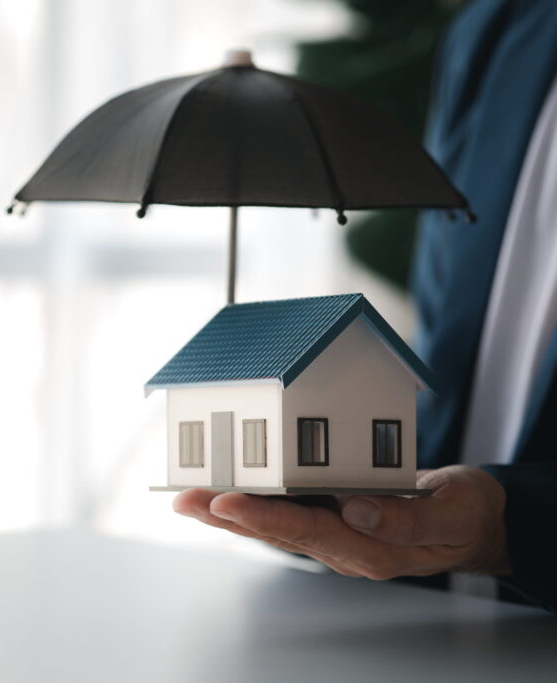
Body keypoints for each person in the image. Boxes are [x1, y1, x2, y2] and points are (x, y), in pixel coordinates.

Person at [173, 0, 557, 612]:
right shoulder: (499, 26)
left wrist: (514, 529)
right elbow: (451, 365)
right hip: (436, 632)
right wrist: (347, 500)